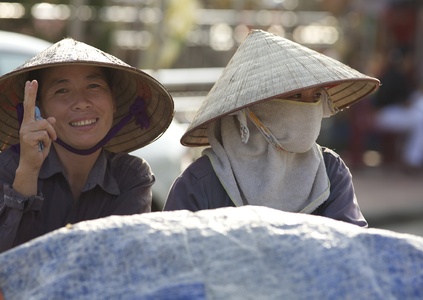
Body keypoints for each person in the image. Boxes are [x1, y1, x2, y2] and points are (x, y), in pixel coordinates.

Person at [163, 29, 379, 227]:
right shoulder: (200, 183)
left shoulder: (330, 172)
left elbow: (351, 253)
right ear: (252, 108)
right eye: (294, 96)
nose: (308, 107)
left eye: (315, 96)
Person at [0, 38, 174, 253]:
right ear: (39, 110)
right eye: (62, 90)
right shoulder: (8, 169)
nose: (82, 102)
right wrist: (28, 171)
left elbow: (124, 260)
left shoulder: (131, 177)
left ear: (114, 102)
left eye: (94, 86)